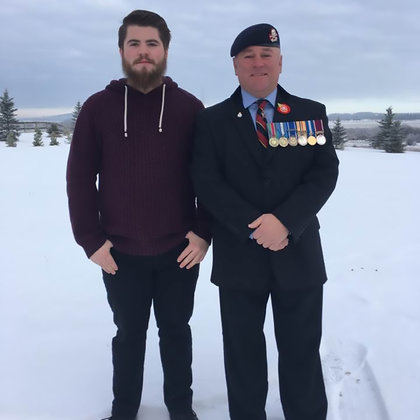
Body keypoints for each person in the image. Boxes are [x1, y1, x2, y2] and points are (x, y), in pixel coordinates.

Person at [66, 10, 210, 420]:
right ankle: (124, 409)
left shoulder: (189, 108)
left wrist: (202, 233)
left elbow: (208, 179)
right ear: (121, 50)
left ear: (165, 50)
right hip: (120, 254)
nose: (143, 52)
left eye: (152, 43)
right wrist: (91, 241)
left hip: (179, 252)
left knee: (176, 333)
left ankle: (180, 408)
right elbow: (79, 179)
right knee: (129, 335)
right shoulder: (98, 108)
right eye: (135, 43)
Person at [191, 23, 339, 420]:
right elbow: (206, 181)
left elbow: (323, 174)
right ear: (235, 66)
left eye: (266, 55)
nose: (258, 63)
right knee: (242, 356)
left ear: (280, 62)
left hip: (299, 253)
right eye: (248, 56)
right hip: (240, 257)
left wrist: (286, 222)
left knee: (301, 352)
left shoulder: (310, 113)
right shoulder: (212, 121)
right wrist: (257, 225)